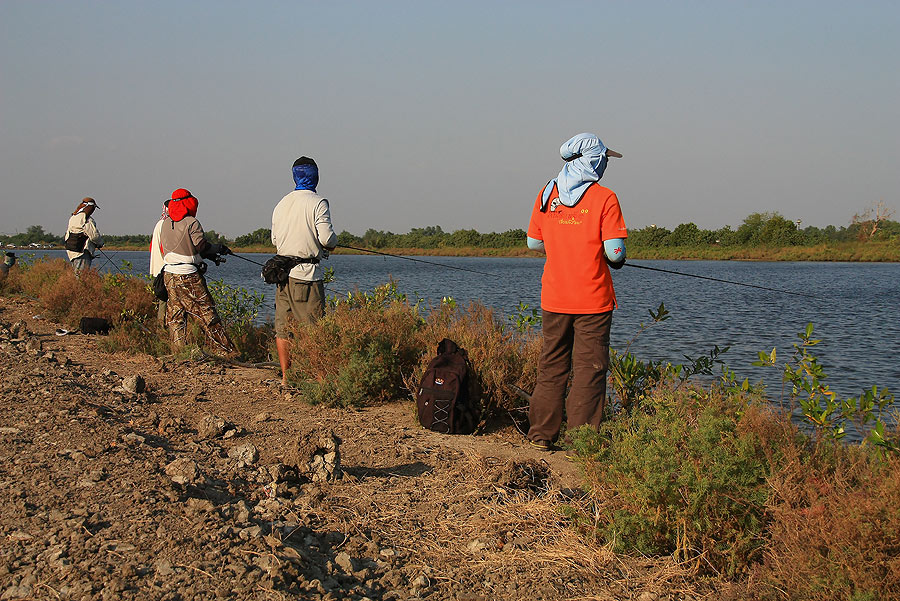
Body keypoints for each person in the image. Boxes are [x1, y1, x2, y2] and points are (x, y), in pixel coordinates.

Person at [525, 132, 628, 451]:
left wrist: (561, 245)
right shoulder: (605, 198)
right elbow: (615, 254)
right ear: (595, 160)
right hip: (593, 301)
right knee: (590, 369)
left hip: (554, 298)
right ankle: (581, 443)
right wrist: (617, 255)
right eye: (604, 159)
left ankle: (542, 435)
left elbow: (533, 242)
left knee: (552, 363)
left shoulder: (546, 193)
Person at [271, 156, 337, 387]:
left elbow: (275, 239)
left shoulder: (282, 203)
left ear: (294, 176)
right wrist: (332, 244)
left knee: (283, 329)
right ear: (315, 176)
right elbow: (327, 239)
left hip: (282, 276)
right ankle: (319, 380)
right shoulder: (318, 202)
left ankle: (287, 378)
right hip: (306, 277)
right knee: (314, 329)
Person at [158, 188, 236, 357]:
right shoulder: (192, 222)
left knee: (176, 316)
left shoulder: (164, 223)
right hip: (188, 275)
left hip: (169, 275)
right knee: (207, 312)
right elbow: (200, 246)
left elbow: (181, 248)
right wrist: (218, 248)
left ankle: (179, 352)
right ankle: (225, 352)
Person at [65, 198, 104, 272]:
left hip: (72, 251)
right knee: (81, 275)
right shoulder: (87, 219)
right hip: (82, 252)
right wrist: (100, 243)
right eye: (93, 208)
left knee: (77, 273)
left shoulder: (73, 217)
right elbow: (94, 236)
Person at [150, 200, 169, 323]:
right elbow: (165, 248)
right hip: (164, 270)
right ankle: (162, 328)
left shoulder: (159, 223)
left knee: (161, 301)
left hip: (155, 270)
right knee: (164, 302)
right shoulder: (166, 225)